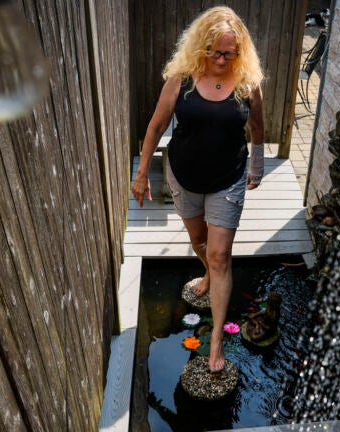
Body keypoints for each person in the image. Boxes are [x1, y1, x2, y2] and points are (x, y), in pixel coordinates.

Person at [131, 6, 265, 373]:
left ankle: (216, 343)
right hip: (183, 176)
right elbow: (156, 127)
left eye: (230, 53)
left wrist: (257, 165)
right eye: (215, 51)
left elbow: (257, 128)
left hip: (228, 179)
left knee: (221, 254)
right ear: (201, 46)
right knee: (199, 242)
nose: (222, 59)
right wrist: (142, 173)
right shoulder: (181, 79)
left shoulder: (247, 82)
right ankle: (208, 274)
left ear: (240, 52)